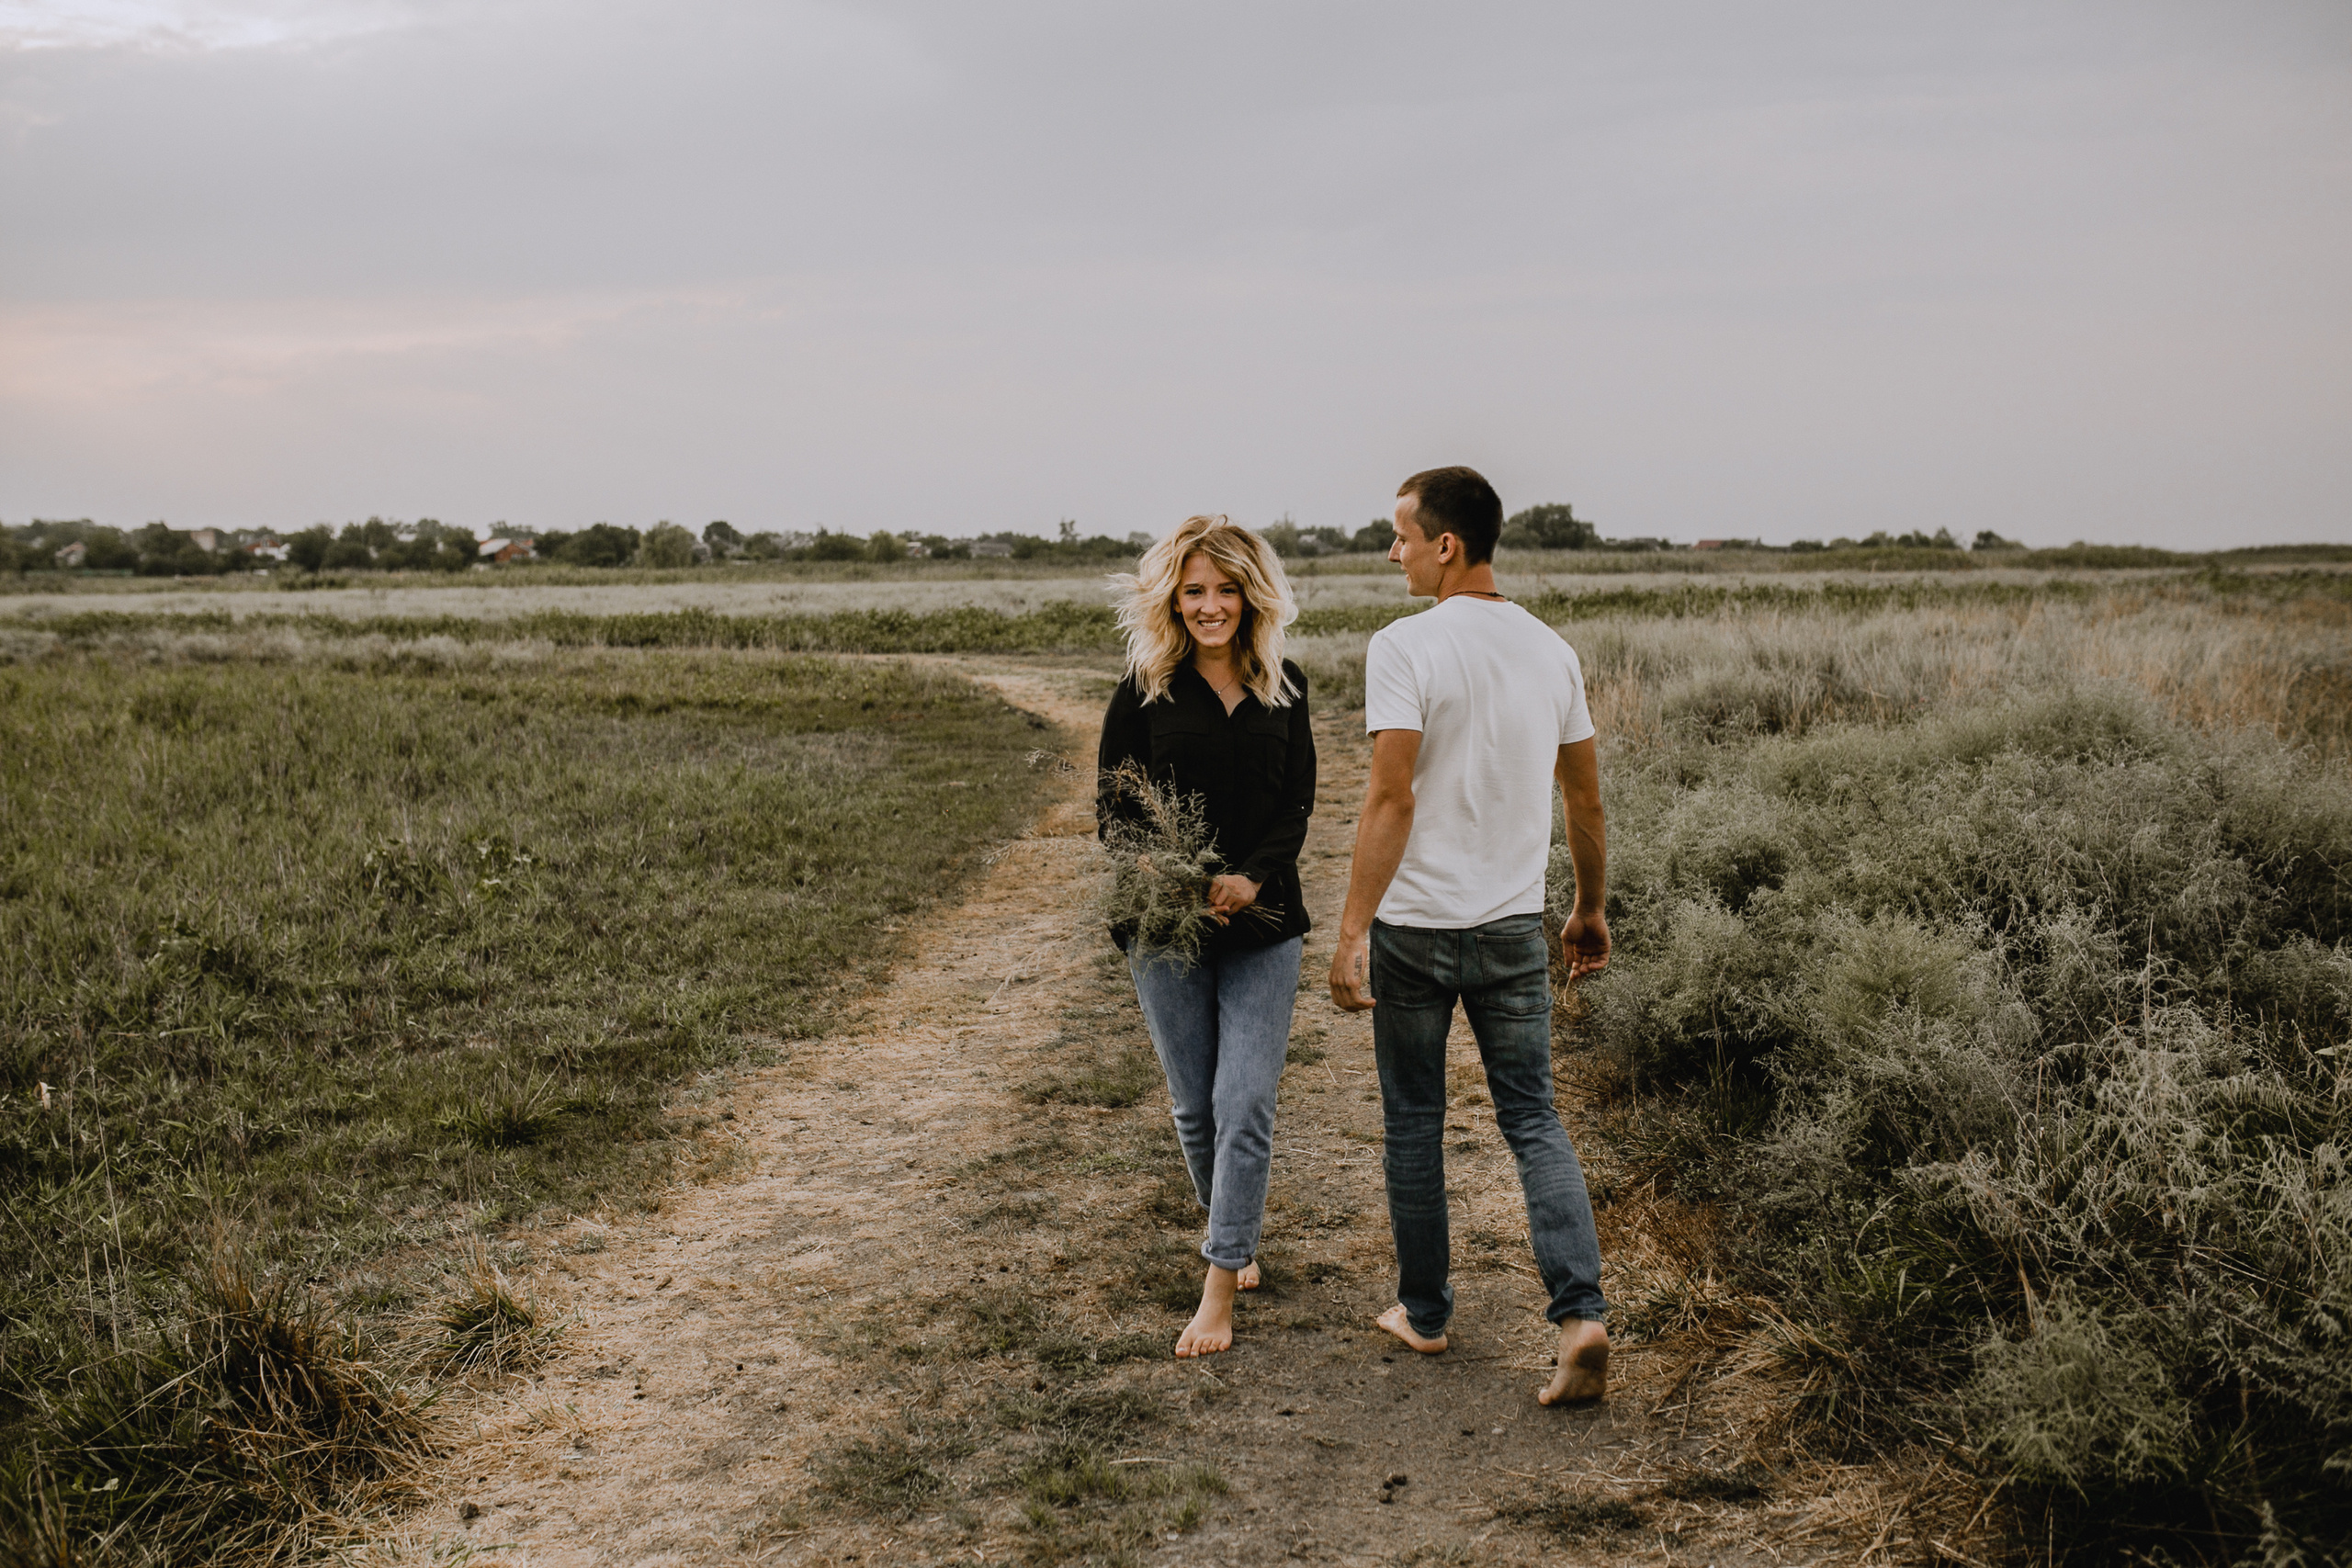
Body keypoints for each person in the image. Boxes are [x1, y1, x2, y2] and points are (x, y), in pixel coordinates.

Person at [1327, 466, 1613, 1405]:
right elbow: (1584, 799)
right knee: (1531, 1117)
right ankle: (1580, 1316)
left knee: (1414, 1123)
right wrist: (1587, 907)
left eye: (1400, 536)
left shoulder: (1405, 646)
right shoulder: (1552, 652)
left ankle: (1424, 1313)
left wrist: (1352, 929)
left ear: (1445, 545)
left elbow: (1390, 795)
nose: (1392, 552)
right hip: (1507, 930)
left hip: (1414, 929)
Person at [1099, 515, 1317, 1358]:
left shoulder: (1285, 687)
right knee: (1196, 1105)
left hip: (1263, 922)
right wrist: (1166, 874)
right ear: (1172, 597)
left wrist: (1251, 877)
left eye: (1226, 589)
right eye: (1194, 590)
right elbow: (1113, 811)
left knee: (1245, 1100)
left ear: (1252, 595)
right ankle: (1234, 1219)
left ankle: (1220, 1280)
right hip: (1163, 927)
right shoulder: (1144, 689)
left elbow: (1297, 803)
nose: (1210, 605)